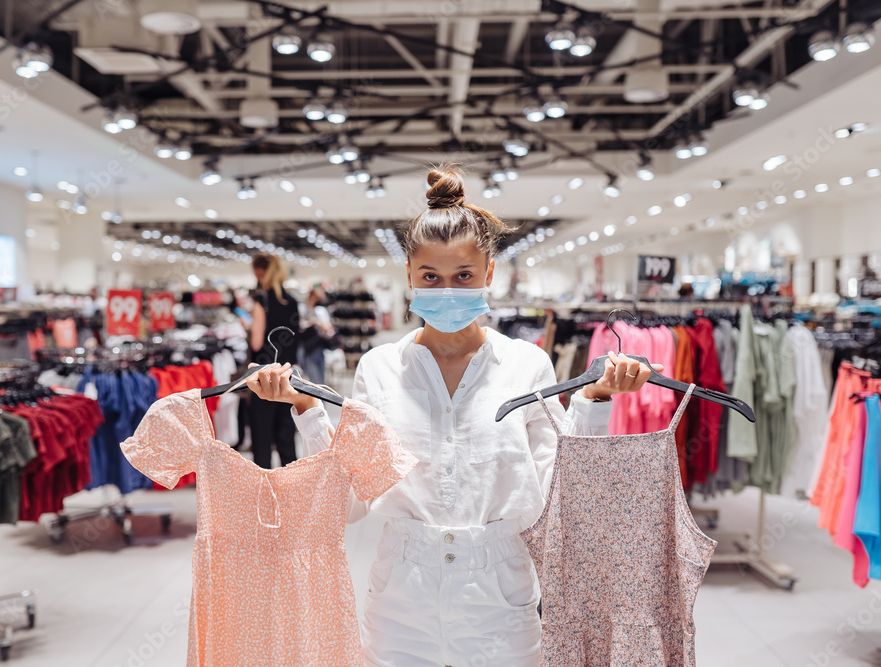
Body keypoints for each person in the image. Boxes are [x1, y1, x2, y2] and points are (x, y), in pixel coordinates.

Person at [244, 167, 661, 666]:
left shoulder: (528, 366)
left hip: (499, 602)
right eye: (431, 277)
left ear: (488, 273)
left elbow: (563, 496)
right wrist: (307, 409)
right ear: (409, 278)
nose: (447, 290)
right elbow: (349, 504)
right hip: (401, 601)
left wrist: (592, 402)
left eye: (463, 276)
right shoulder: (380, 369)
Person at [248, 253, 302, 469]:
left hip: (264, 376)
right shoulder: (293, 303)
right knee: (286, 438)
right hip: (287, 375)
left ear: (261, 273)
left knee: (262, 438)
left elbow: (256, 342)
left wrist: (249, 326)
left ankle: (263, 494)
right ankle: (291, 493)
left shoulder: (261, 301)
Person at [297, 284, 335, 386]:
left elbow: (328, 328)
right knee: (313, 378)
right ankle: (317, 400)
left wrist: (317, 323)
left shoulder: (320, 310)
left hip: (318, 346)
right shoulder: (302, 309)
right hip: (307, 346)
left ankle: (320, 400)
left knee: (319, 379)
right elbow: (299, 326)